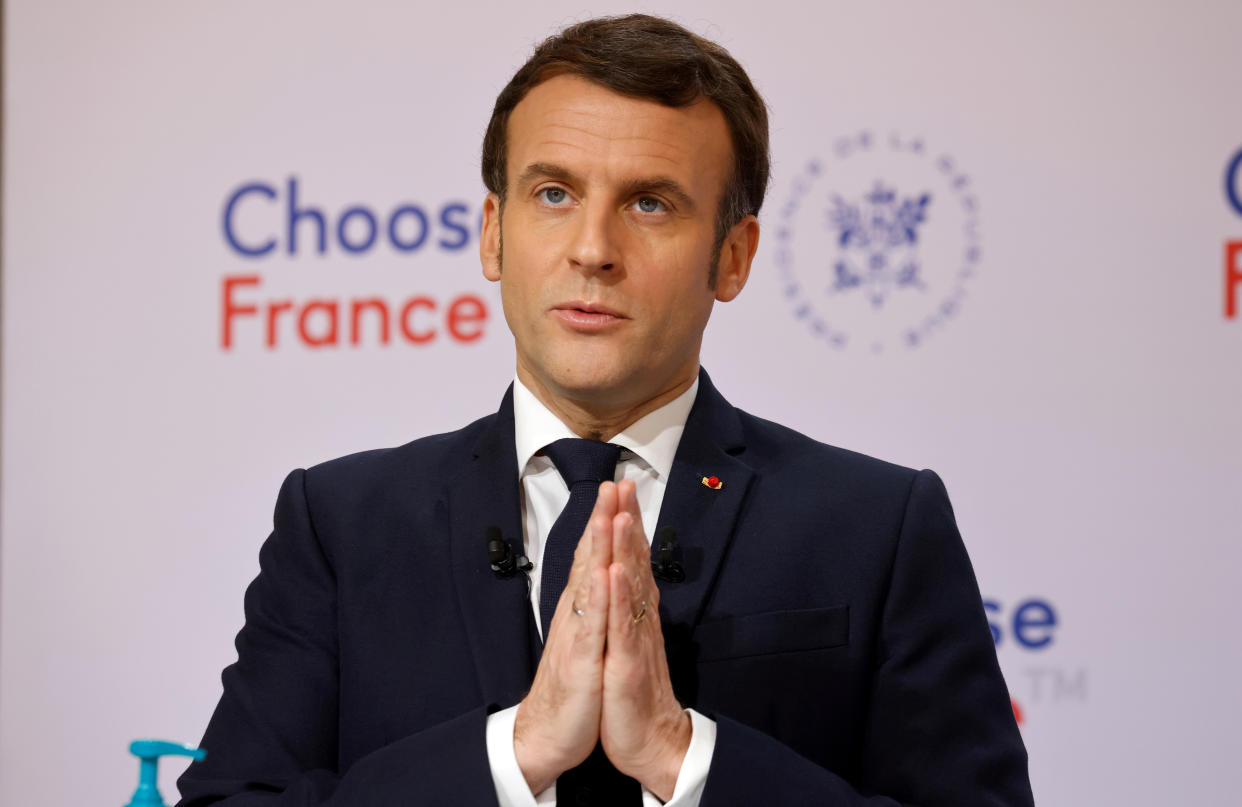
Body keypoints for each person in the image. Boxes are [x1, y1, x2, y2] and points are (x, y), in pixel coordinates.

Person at [178, 14, 1033, 807]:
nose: (593, 249)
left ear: (731, 257)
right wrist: (509, 755)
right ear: (492, 233)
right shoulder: (340, 525)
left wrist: (682, 754)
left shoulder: (878, 526)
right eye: (553, 193)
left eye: (650, 203)